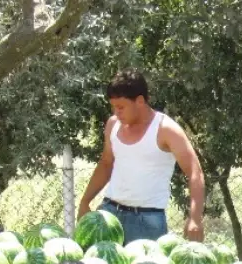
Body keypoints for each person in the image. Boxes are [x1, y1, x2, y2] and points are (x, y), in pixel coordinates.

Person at [77, 70, 205, 244]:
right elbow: (106, 164)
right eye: (113, 107)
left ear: (140, 101)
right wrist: (85, 201)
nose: (116, 112)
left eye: (121, 107)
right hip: (108, 214)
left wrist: (195, 218)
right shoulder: (113, 124)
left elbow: (195, 172)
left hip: (146, 221)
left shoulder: (166, 129)